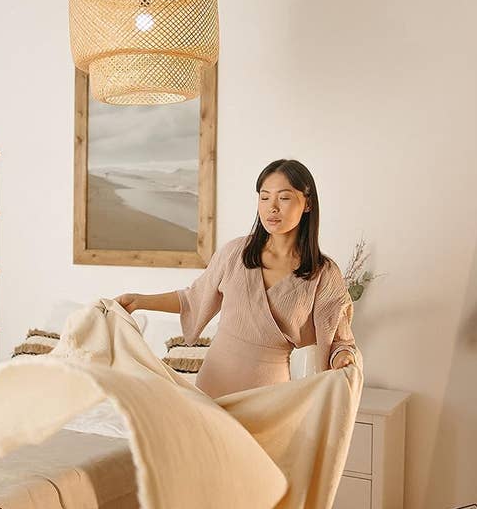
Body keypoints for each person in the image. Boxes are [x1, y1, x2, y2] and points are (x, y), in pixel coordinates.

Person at [115, 158, 357, 399]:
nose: (272, 207)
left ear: (307, 204)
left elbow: (340, 341)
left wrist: (343, 359)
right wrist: (138, 301)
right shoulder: (235, 253)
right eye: (264, 197)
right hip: (212, 387)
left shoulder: (324, 274)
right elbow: (192, 299)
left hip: (270, 397)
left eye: (283, 198)